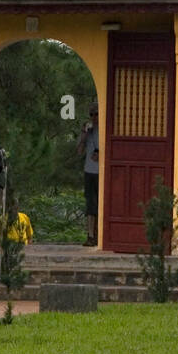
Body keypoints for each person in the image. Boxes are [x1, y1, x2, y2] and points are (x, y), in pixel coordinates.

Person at [76, 102, 100, 246]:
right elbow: (79, 151)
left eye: (96, 114)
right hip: (89, 171)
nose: (94, 117)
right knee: (90, 204)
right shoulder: (88, 131)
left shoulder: (104, 130)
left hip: (102, 172)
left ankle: (99, 234)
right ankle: (90, 235)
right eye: (91, 114)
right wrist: (83, 135)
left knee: (101, 204)